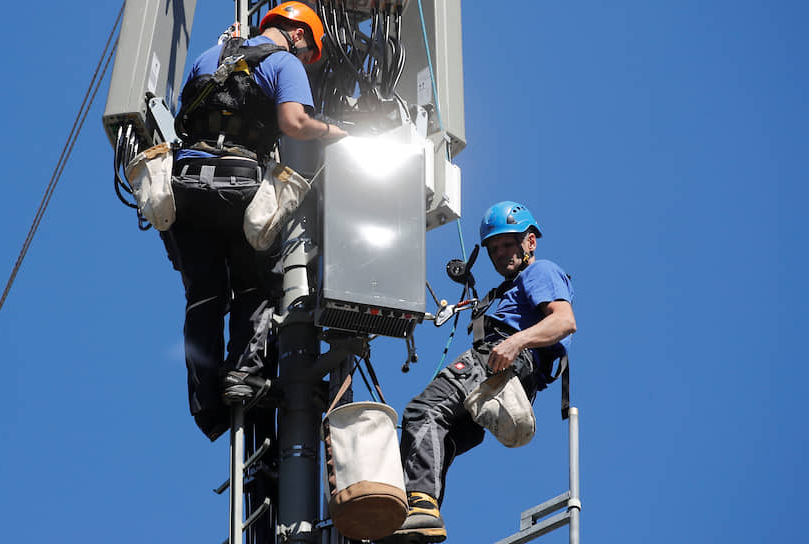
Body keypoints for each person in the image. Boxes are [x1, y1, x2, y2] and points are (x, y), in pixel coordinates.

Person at [162, 1, 347, 442]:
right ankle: (242, 376)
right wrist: (336, 133)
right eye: (309, 53)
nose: (306, 60)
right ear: (299, 35)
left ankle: (207, 405)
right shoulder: (284, 62)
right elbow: (294, 122)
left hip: (186, 183)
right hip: (237, 181)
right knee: (258, 283)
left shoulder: (211, 55)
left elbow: (185, 114)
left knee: (204, 297)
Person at [385, 201, 577, 544]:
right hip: (505, 376)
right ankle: (414, 524)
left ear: (530, 242)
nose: (500, 253)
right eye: (493, 248)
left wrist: (515, 342)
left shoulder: (541, 271)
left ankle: (421, 506)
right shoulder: (508, 290)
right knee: (443, 438)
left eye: (507, 244)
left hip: (497, 362)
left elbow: (564, 321)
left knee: (423, 411)